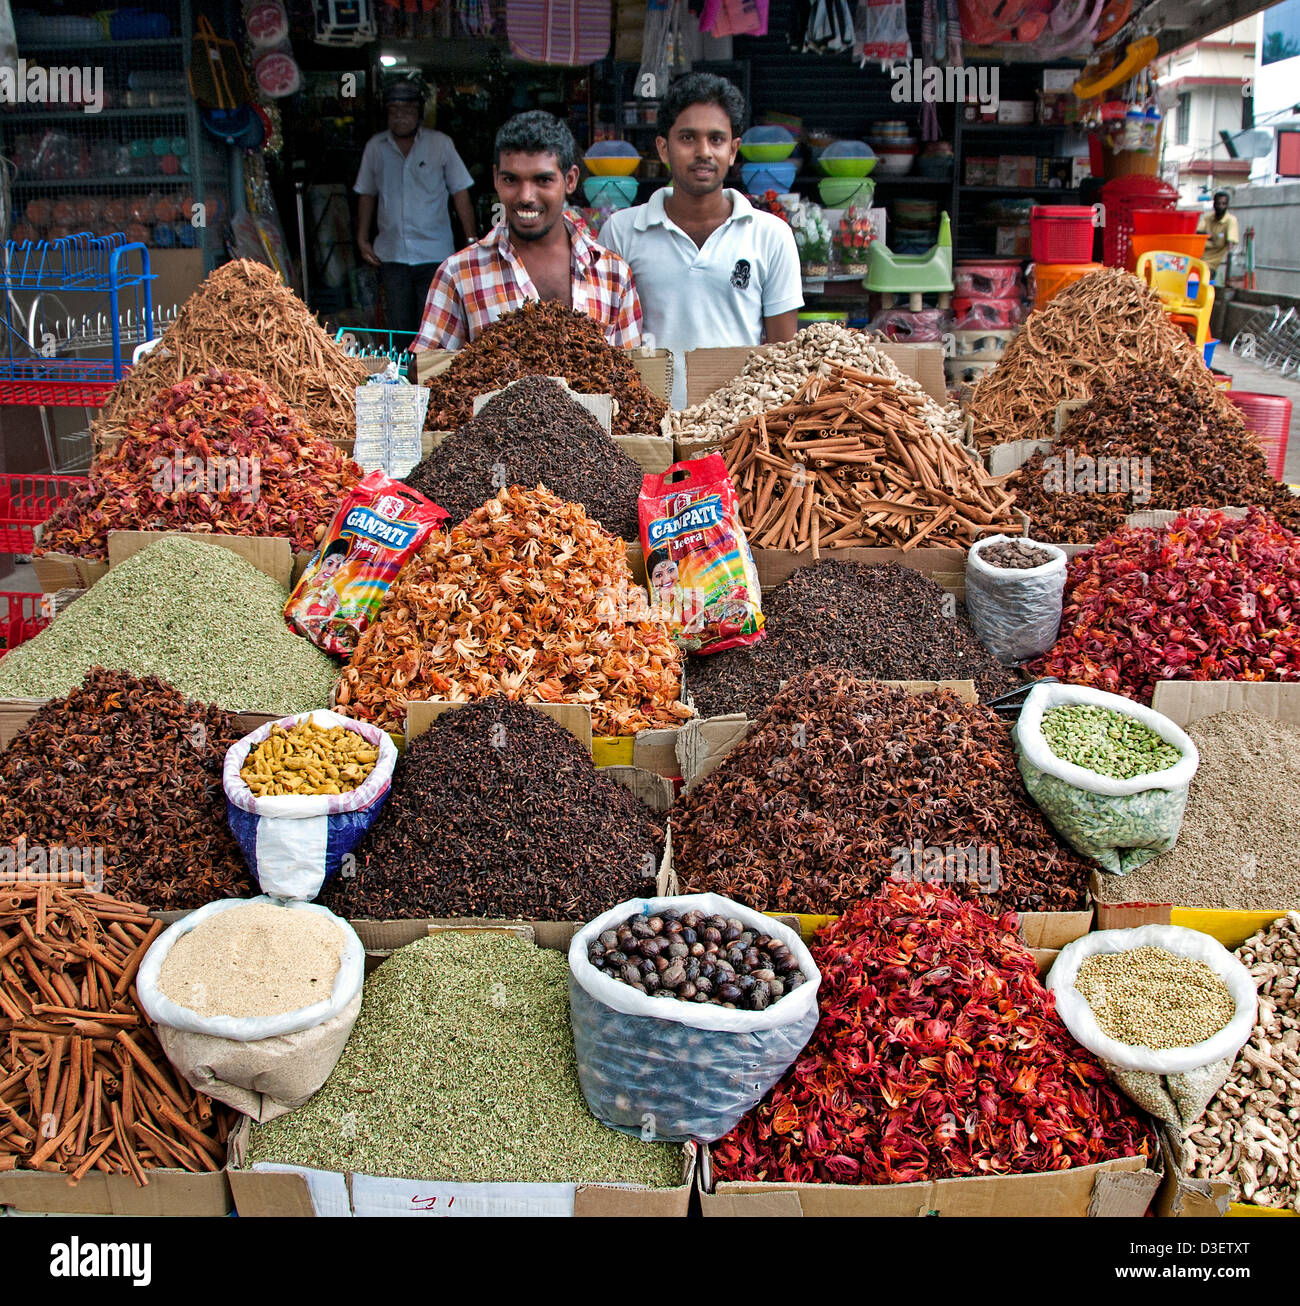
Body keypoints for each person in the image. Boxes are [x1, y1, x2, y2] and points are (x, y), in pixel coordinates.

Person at [598, 73, 803, 409]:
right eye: (688, 138)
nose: (703, 152)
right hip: (649, 429)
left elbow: (784, 356)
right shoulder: (621, 231)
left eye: (717, 139)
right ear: (664, 148)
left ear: (733, 150)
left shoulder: (771, 235)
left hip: (739, 432)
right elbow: (605, 349)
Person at [413, 111, 642, 352]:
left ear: (571, 180)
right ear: (496, 179)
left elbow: (631, 378)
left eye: (543, 180)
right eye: (511, 180)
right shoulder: (458, 275)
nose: (526, 197)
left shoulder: (614, 275)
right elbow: (428, 373)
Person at [354, 78, 477, 338]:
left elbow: (460, 192)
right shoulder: (375, 147)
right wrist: (362, 238)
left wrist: (470, 239)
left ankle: (430, 378)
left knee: (434, 328)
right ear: (386, 114)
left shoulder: (440, 144)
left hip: (434, 253)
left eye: (408, 110)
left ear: (419, 113)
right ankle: (400, 377)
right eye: (394, 111)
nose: (401, 117)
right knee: (398, 328)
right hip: (392, 254)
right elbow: (366, 194)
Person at [1197, 190, 1239, 286]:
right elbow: (1197, 232)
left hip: (1211, 263)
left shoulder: (1231, 221)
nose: (1220, 207)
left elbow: (1231, 242)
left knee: (1203, 283)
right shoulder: (1207, 218)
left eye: (1223, 204)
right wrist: (1210, 236)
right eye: (1218, 203)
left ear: (1227, 205)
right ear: (1214, 204)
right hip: (1196, 257)